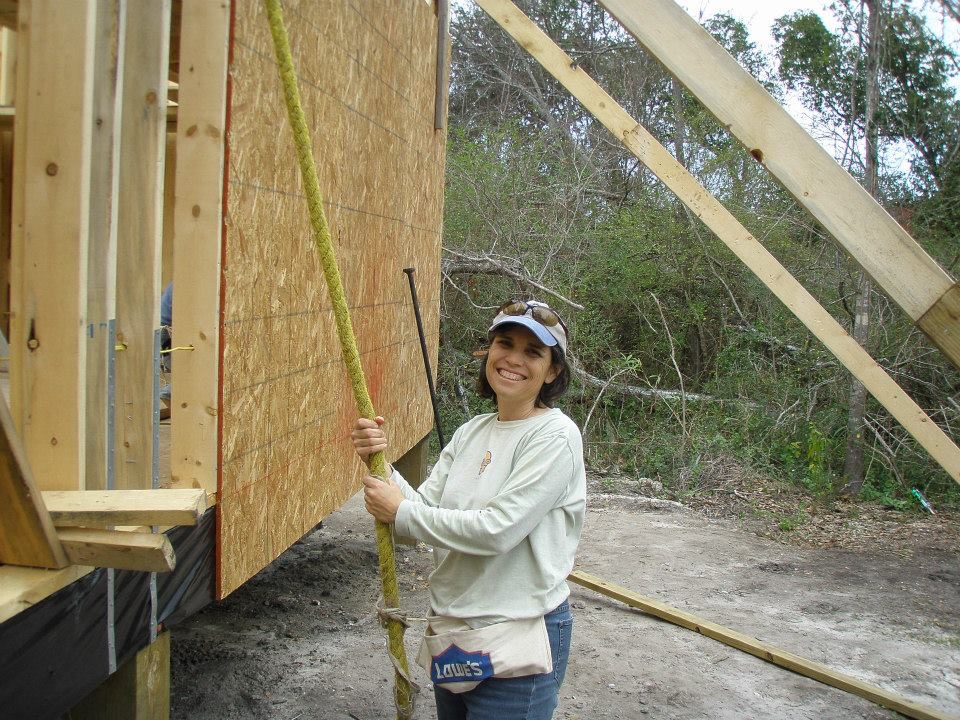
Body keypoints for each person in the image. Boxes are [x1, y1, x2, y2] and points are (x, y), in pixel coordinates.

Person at [351, 299, 586, 720]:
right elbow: (416, 516)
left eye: (533, 352)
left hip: (517, 633)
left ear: (553, 371)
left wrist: (401, 512)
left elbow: (497, 531)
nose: (514, 359)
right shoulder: (471, 431)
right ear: (489, 352)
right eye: (505, 344)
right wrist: (378, 461)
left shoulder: (555, 436)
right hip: (453, 632)